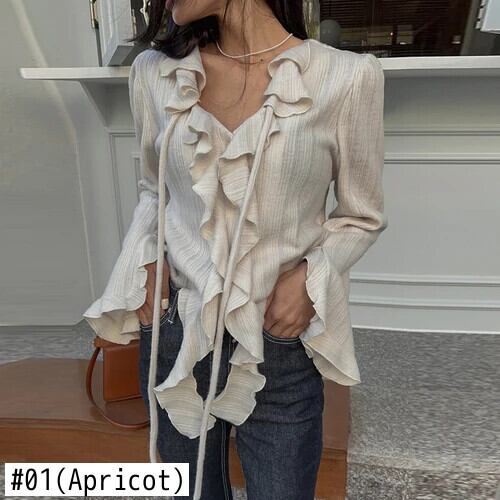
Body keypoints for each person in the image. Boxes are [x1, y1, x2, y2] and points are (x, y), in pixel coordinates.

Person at [83, 0, 388, 498]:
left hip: (278, 338)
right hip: (175, 329)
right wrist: (147, 263)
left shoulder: (346, 77)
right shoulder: (155, 73)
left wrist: (311, 278)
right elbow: (153, 191)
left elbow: (362, 214)